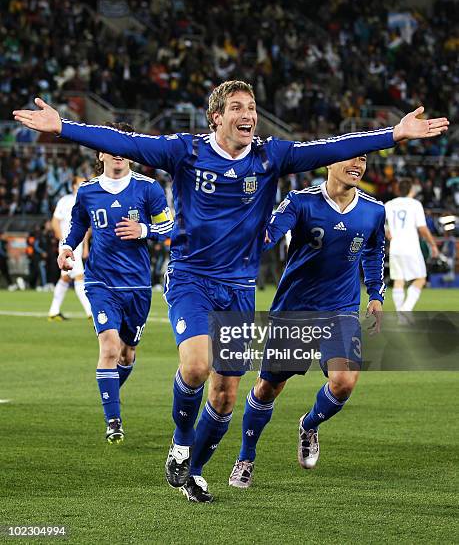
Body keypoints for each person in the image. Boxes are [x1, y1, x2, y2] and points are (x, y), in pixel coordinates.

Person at [13, 81, 449, 502]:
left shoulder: (270, 156)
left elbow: (329, 148)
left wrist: (394, 134)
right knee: (197, 365)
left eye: (253, 108)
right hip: (191, 278)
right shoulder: (185, 151)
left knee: (225, 397)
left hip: (239, 288)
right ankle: (181, 444)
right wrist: (63, 127)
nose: (249, 116)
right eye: (238, 107)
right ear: (216, 116)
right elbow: (125, 142)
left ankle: (196, 472)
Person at [229, 155, 386, 488]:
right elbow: (270, 235)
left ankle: (310, 424)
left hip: (340, 309)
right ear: (329, 162)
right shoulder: (301, 202)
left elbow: (374, 251)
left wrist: (375, 294)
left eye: (363, 158)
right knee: (268, 387)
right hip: (295, 310)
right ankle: (246, 457)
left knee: (344, 381)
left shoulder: (374, 210)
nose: (358, 164)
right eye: (351, 157)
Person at [58, 123, 173, 443]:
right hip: (100, 282)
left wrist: (145, 231)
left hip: (137, 286)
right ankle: (113, 420)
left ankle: (108, 389)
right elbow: (78, 225)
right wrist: (67, 247)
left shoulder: (148, 189)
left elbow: (171, 229)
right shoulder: (87, 191)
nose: (119, 153)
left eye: (125, 148)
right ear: (100, 152)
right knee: (108, 347)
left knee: (127, 354)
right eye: (112, 147)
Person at [385, 178, 439, 312]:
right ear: (411, 190)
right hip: (411, 247)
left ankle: (400, 313)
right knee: (421, 278)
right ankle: (405, 310)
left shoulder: (389, 204)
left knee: (398, 280)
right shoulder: (415, 204)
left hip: (395, 247)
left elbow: (379, 222)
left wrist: (386, 231)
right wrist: (433, 244)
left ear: (398, 190)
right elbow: (422, 228)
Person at [48, 176, 92, 321]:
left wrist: (85, 245)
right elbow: (55, 222)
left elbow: (87, 227)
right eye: (80, 183)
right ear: (73, 186)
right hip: (68, 245)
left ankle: (53, 311)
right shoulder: (65, 201)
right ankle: (90, 312)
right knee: (79, 276)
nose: (82, 185)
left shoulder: (86, 201)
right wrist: (63, 243)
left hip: (78, 244)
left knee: (65, 277)